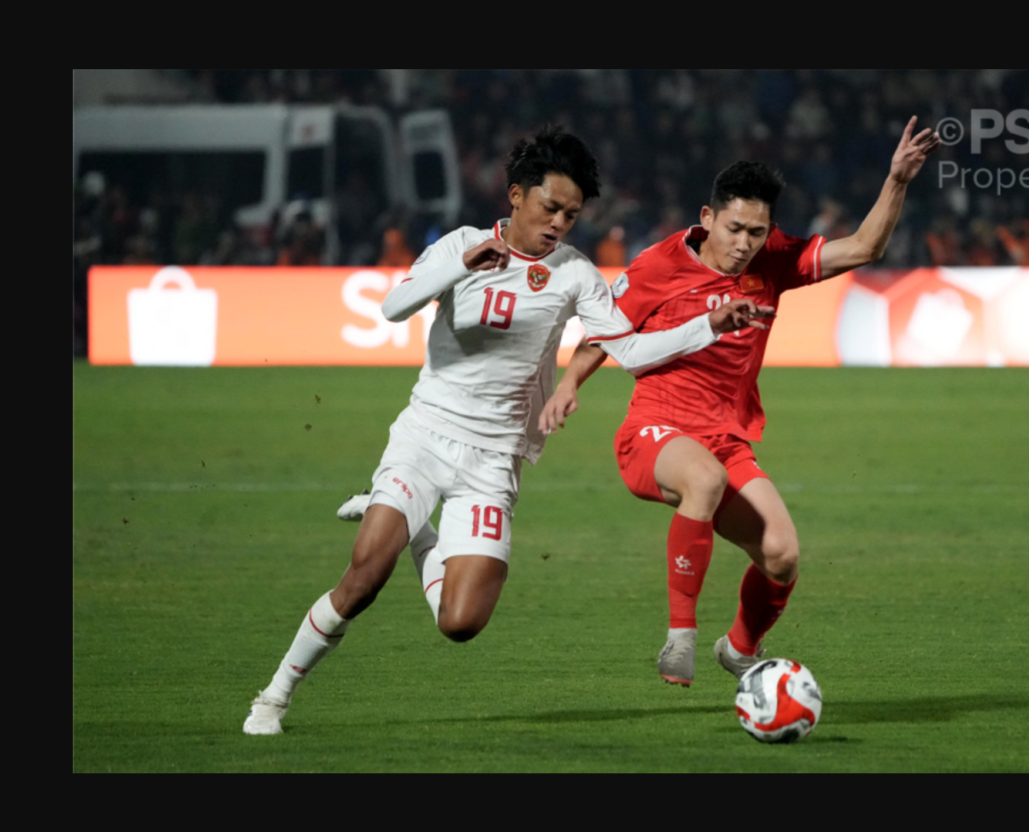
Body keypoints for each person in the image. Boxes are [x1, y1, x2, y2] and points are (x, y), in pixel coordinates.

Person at [244, 125, 770, 734]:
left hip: (495, 457)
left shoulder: (575, 275)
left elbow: (628, 351)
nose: (559, 224)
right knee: (363, 577)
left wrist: (711, 324)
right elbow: (393, 307)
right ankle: (274, 697)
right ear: (517, 195)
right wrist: (459, 267)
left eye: (571, 215)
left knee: (460, 622)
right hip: (427, 433)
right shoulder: (460, 245)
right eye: (551, 208)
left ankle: (423, 535)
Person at [538, 117, 940, 686]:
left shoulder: (771, 260)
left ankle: (739, 647)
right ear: (707, 219)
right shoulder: (656, 266)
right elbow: (607, 334)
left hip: (727, 438)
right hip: (654, 432)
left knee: (782, 554)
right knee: (702, 480)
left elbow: (866, 246)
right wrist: (568, 384)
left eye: (757, 231)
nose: (744, 244)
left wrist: (896, 179)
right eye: (734, 229)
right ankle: (680, 640)